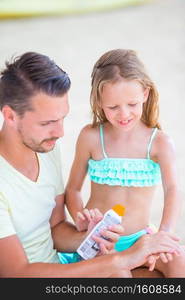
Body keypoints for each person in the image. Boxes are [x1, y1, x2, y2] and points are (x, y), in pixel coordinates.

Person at [65, 49, 185, 277]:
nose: (124, 114)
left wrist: (164, 234)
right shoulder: (91, 137)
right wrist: (81, 220)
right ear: (99, 101)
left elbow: (173, 190)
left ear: (145, 94)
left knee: (181, 262)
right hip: (101, 241)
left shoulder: (158, 142)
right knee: (119, 275)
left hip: (141, 239)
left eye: (132, 104)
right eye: (113, 107)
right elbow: (72, 189)